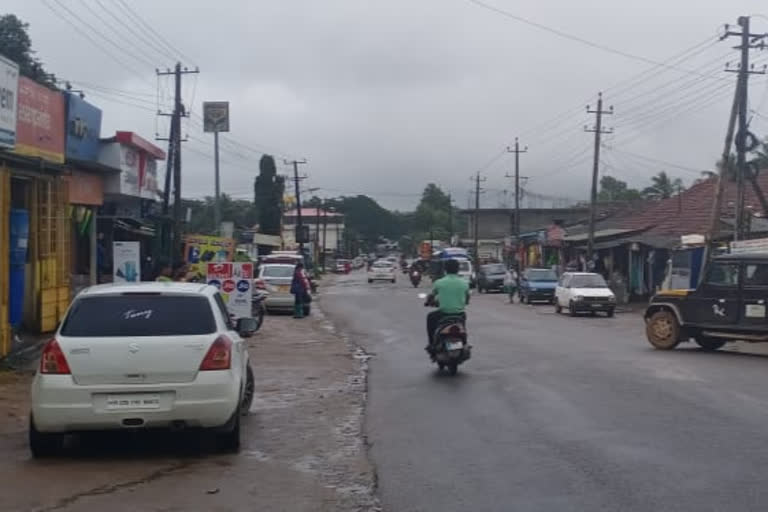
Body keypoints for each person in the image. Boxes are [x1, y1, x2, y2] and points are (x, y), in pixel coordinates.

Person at [425, 258, 470, 351]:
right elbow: (467, 298)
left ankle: (431, 343)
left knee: (430, 317)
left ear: (445, 269)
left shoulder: (439, 282)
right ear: (458, 269)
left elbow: (431, 296)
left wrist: (429, 302)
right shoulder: (464, 283)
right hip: (459, 314)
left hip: (443, 314)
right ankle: (465, 343)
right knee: (463, 325)